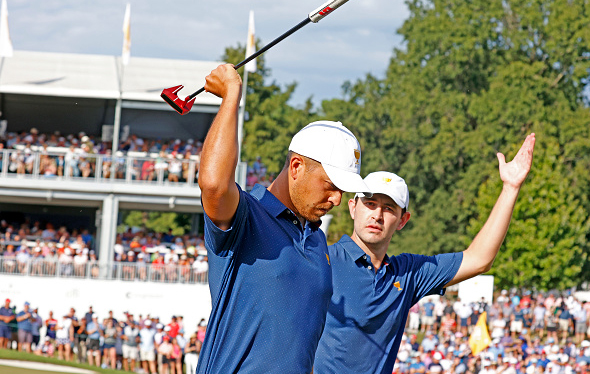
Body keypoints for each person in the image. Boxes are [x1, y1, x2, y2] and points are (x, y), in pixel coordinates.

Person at [194, 64, 371, 374]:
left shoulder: (316, 238)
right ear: (296, 167)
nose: (337, 200)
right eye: (330, 186)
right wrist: (231, 95)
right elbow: (213, 183)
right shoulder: (246, 217)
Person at [314, 133, 536, 374]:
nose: (377, 215)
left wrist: (510, 188)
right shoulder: (322, 259)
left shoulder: (408, 273)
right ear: (353, 207)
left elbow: (479, 259)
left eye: (388, 208)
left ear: (402, 220)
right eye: (370, 203)